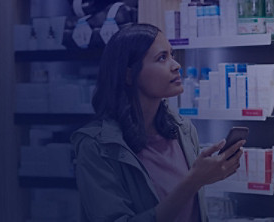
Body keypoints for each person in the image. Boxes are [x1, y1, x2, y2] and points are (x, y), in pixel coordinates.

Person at [71, 23, 245, 222]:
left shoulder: (183, 130)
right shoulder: (96, 146)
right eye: (162, 58)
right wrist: (193, 181)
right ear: (129, 74)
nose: (176, 65)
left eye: (172, 55)